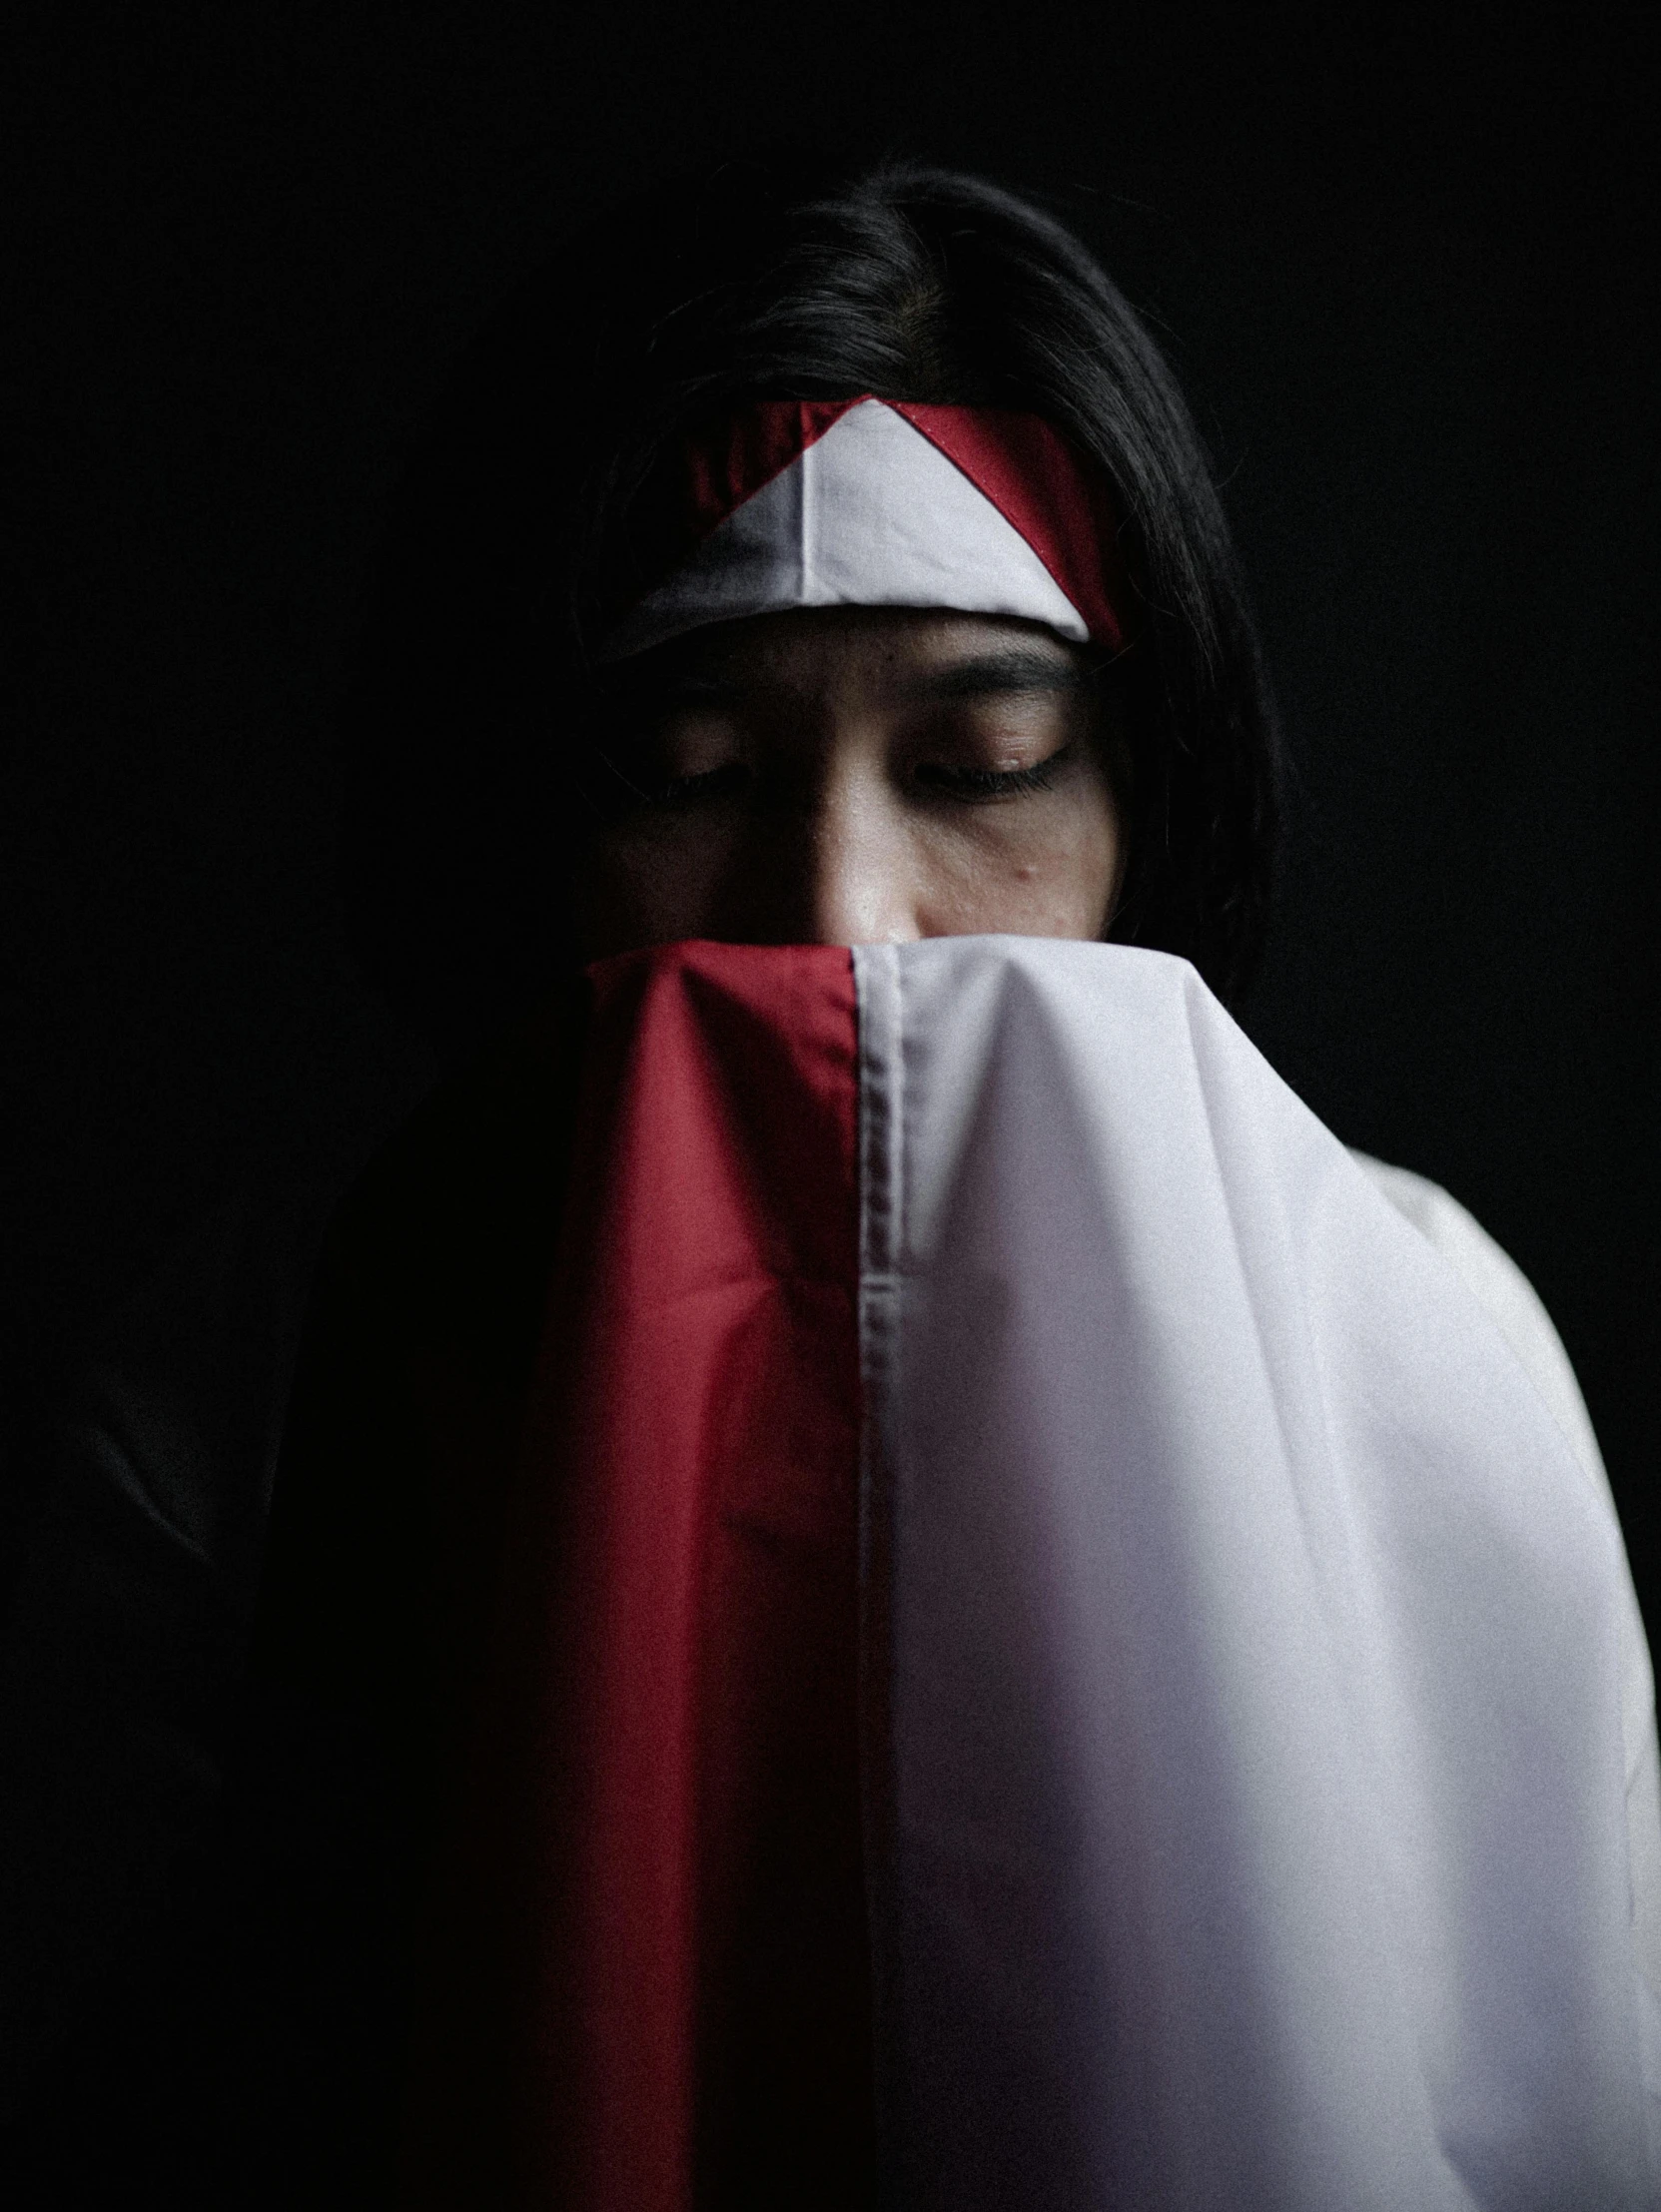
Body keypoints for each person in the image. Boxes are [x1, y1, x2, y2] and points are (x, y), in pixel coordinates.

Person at [225, 156, 1660, 2209]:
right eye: (694, 780)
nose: (842, 929)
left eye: (978, 770)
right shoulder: (274, 1374)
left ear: (1142, 814)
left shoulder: (1425, 1339)